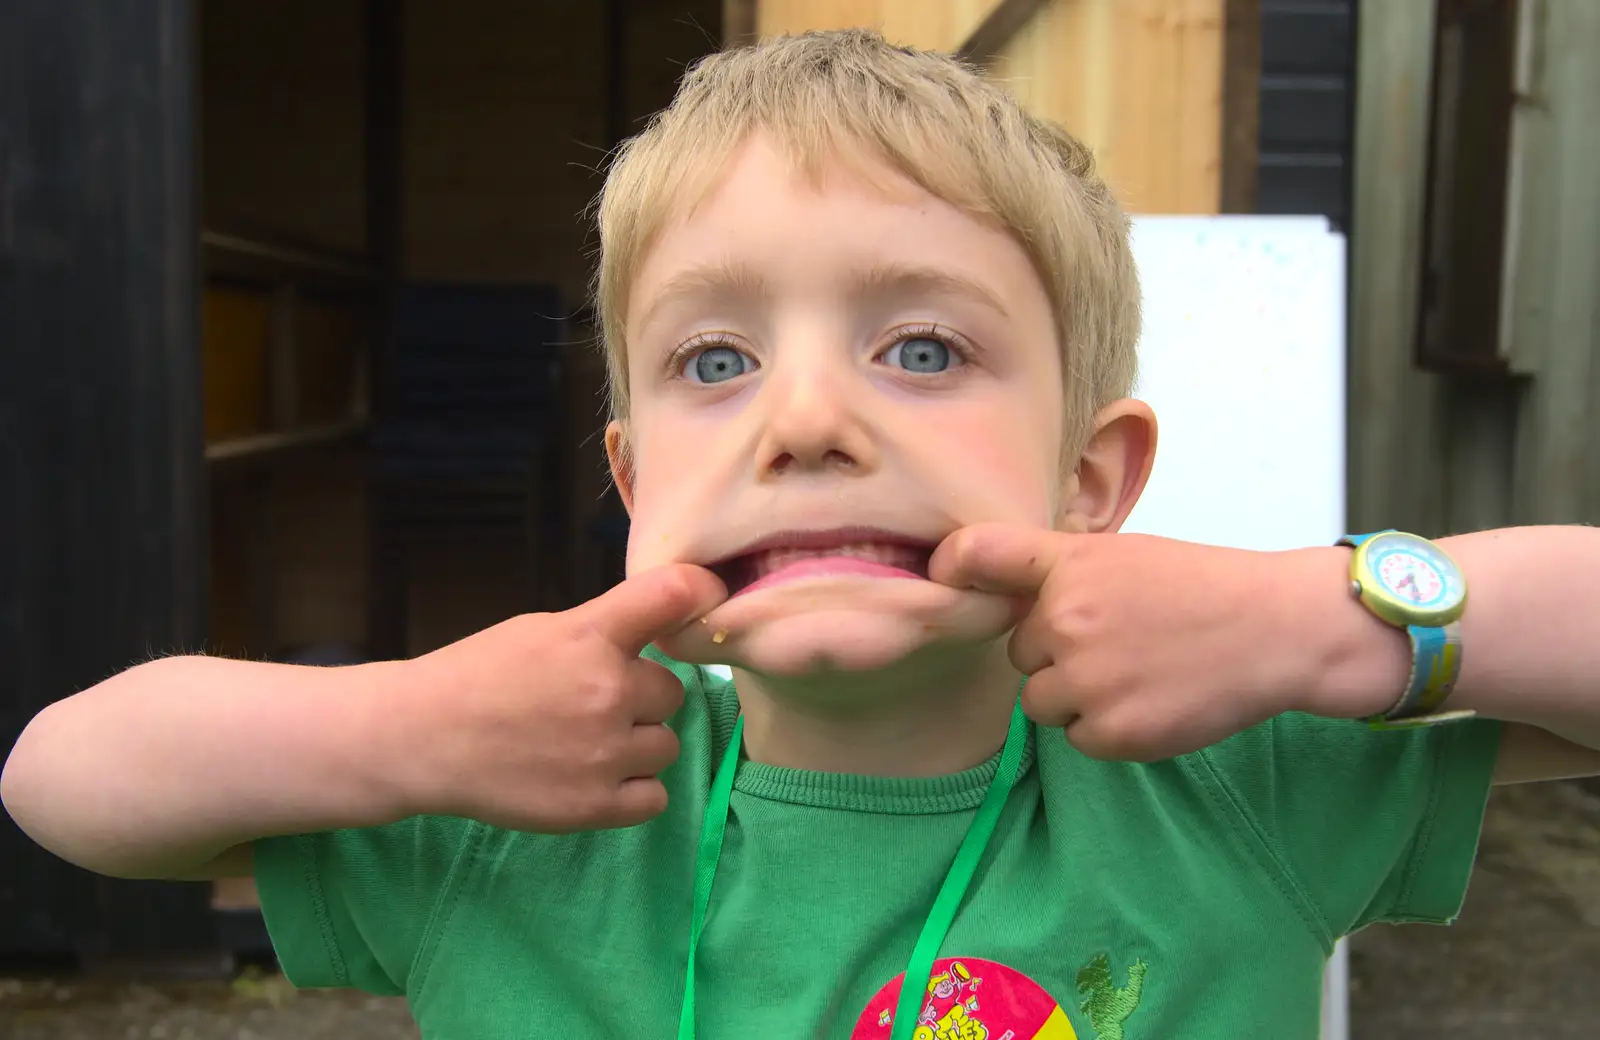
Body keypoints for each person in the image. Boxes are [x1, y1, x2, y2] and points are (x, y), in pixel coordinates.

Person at [5, 29, 1599, 1040]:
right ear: (634, 488)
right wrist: (405, 724)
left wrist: (1332, 621)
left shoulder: (1226, 778)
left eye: (923, 349)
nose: (807, 420)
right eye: (716, 361)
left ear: (1089, 481)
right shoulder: (519, 795)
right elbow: (66, 782)